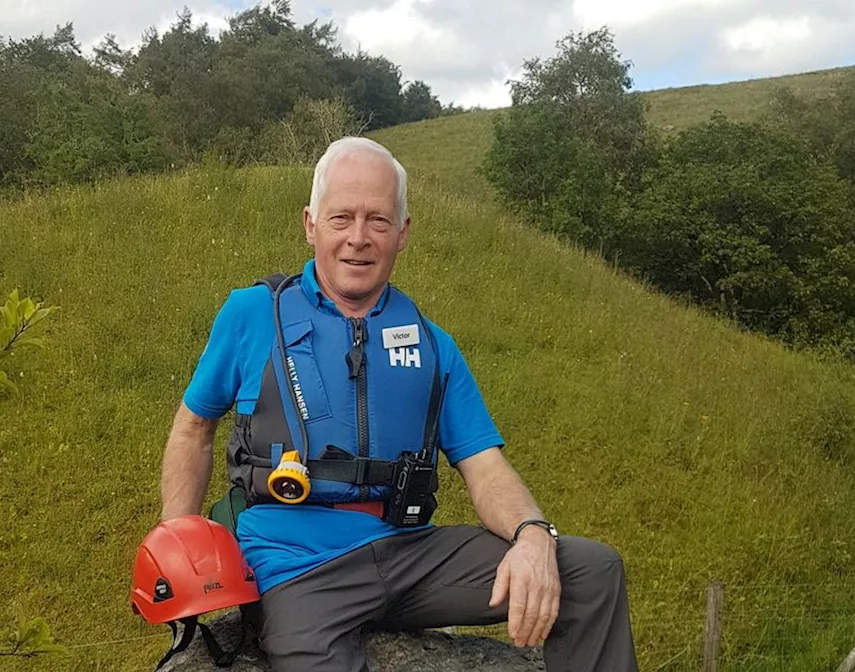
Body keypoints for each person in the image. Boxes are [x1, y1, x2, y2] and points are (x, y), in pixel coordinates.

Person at [159, 137, 637, 671]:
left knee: (591, 573)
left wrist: (533, 536)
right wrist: (179, 549)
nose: (358, 239)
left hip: (412, 556)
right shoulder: (251, 315)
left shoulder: (433, 345)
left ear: (403, 232)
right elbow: (192, 429)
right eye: (341, 218)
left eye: (379, 221)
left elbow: (485, 468)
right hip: (296, 566)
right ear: (310, 224)